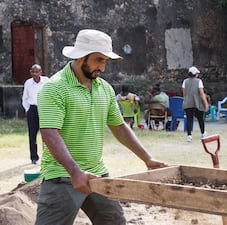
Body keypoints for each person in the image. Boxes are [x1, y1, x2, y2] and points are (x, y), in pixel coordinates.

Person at [35, 29, 167, 225]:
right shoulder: (55, 87)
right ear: (81, 57)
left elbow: (119, 126)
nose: (103, 67)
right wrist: (75, 172)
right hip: (62, 176)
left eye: (105, 61)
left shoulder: (103, 88)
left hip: (97, 173)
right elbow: (49, 133)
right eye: (98, 60)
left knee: (114, 222)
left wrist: (147, 158)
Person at [21, 64, 49, 164]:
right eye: (33, 72)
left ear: (40, 72)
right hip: (33, 109)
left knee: (46, 134)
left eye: (37, 72)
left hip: (44, 109)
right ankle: (34, 157)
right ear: (30, 72)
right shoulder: (28, 83)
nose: (35, 74)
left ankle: (47, 156)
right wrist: (27, 109)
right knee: (32, 135)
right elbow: (25, 98)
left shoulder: (46, 81)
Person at [182, 66, 209, 142]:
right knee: (200, 118)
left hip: (188, 102)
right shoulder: (199, 81)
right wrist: (206, 104)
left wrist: (187, 99)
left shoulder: (185, 81)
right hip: (197, 102)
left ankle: (189, 135)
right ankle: (203, 133)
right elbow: (201, 93)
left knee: (189, 119)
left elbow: (184, 93)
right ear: (195, 74)